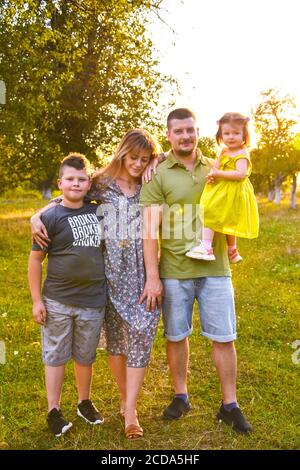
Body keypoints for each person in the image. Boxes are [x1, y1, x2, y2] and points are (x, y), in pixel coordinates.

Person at [31, 129, 161, 439]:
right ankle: (123, 403)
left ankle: (131, 410)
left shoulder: (153, 180)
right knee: (116, 341)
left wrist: (157, 159)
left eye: (145, 159)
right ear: (122, 154)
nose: (139, 164)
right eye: (134, 158)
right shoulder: (100, 184)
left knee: (142, 333)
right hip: (109, 273)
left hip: (143, 270)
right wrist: (36, 214)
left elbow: (184, 155)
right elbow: (69, 195)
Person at [140, 108, 253, 434]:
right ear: (169, 135)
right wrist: (152, 276)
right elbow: (149, 230)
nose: (185, 136)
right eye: (178, 132)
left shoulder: (219, 164)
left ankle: (229, 405)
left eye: (190, 130)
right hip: (174, 269)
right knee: (176, 336)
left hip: (215, 268)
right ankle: (181, 396)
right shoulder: (157, 173)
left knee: (224, 337)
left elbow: (239, 192)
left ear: (198, 131)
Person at [28, 153, 106, 437]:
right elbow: (35, 261)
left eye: (81, 179)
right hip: (58, 301)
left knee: (85, 355)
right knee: (56, 355)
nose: (75, 184)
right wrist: (37, 300)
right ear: (60, 182)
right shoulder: (49, 217)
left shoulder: (99, 211)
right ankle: (53, 409)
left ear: (89, 183)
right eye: (70, 179)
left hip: (93, 300)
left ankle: (84, 402)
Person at [186, 112, 259, 263]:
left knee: (210, 212)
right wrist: (213, 174)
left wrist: (218, 173)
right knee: (225, 220)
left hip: (233, 191)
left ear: (244, 134)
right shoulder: (225, 151)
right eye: (226, 133)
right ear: (220, 135)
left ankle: (206, 247)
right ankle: (232, 251)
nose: (231, 137)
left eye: (236, 133)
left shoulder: (242, 153)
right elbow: (216, 166)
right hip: (223, 188)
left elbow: (240, 174)